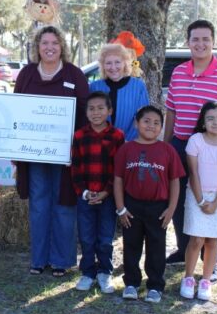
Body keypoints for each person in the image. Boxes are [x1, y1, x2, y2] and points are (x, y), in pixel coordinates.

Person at [14, 25, 89, 277]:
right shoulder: (26, 74)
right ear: (37, 47)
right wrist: (16, 148)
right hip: (33, 155)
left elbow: (85, 114)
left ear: (62, 47)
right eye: (44, 43)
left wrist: (76, 150)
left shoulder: (74, 75)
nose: (49, 48)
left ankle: (61, 260)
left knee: (64, 204)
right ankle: (39, 259)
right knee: (38, 205)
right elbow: (15, 112)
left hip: (66, 156)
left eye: (55, 43)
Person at [164, 20, 217, 282]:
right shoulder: (178, 72)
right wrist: (165, 146)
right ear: (188, 42)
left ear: (213, 41)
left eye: (205, 39)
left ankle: (213, 258)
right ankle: (183, 247)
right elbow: (172, 111)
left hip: (212, 146)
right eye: (195, 39)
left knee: (214, 198)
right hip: (180, 144)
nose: (200, 44)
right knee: (179, 200)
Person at [114, 106, 185, 303]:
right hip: (131, 205)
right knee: (131, 244)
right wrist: (121, 208)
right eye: (146, 121)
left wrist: (171, 209)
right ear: (136, 123)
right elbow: (118, 179)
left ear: (162, 127)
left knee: (156, 247)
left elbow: (175, 181)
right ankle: (131, 283)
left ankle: (155, 285)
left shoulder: (168, 150)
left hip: (158, 207)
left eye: (156, 123)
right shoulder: (126, 149)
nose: (151, 126)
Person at [72, 92, 125, 293]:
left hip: (108, 198)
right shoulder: (79, 136)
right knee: (86, 237)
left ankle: (104, 272)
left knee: (105, 238)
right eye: (91, 108)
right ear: (85, 112)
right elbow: (75, 168)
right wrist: (84, 193)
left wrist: (106, 192)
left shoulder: (117, 136)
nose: (96, 112)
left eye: (101, 108)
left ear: (109, 111)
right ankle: (87, 273)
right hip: (85, 197)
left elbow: (118, 169)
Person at [180, 102, 217, 301]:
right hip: (196, 194)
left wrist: (214, 204)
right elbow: (193, 172)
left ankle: (205, 280)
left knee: (213, 240)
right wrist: (202, 201)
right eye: (210, 118)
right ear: (203, 122)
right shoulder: (196, 140)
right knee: (196, 239)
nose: (216, 122)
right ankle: (188, 278)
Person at [90, 43, 149, 141]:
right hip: (100, 144)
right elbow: (89, 116)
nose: (113, 67)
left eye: (117, 62)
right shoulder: (94, 87)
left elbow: (143, 117)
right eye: (108, 63)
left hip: (129, 144)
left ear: (125, 63)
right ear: (102, 65)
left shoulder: (138, 86)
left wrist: (125, 142)